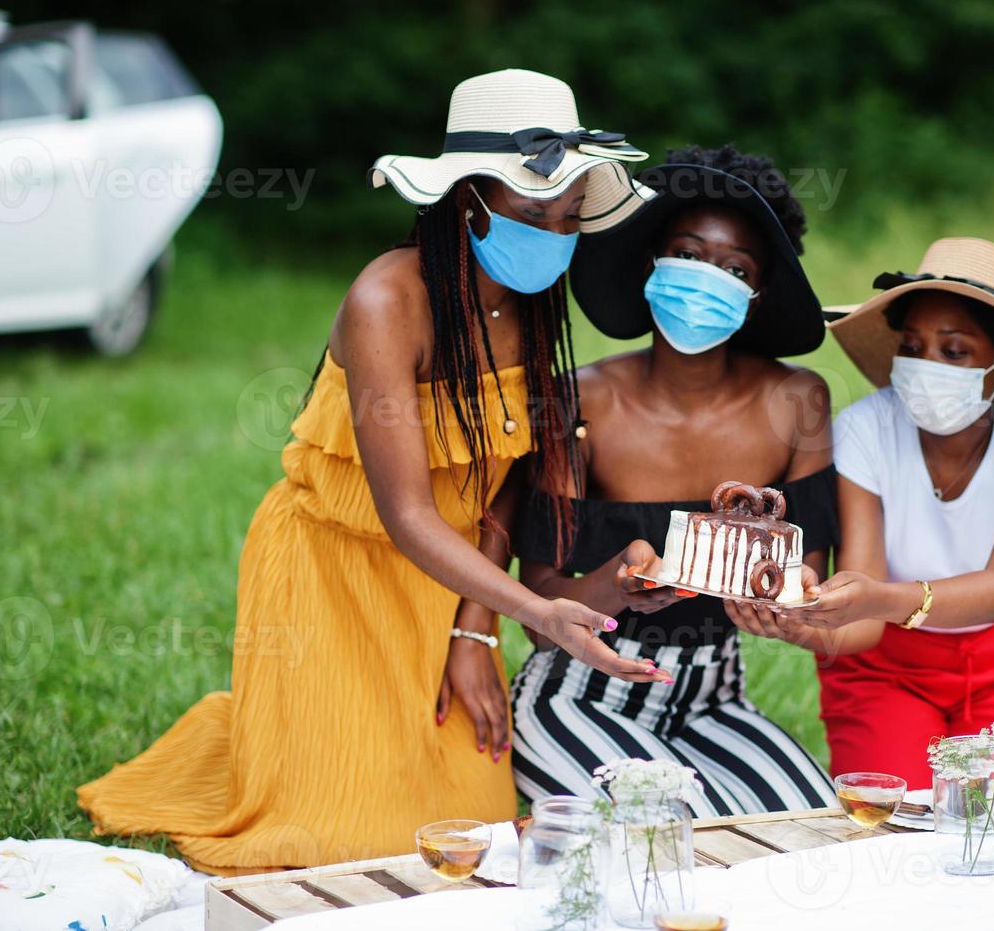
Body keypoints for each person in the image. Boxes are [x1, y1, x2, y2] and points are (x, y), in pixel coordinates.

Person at [76, 70, 670, 874]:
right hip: (337, 569)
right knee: (341, 848)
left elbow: (498, 487)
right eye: (533, 215)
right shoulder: (385, 302)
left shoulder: (532, 299)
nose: (555, 237)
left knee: (473, 838)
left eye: (568, 219)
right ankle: (268, 729)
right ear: (468, 201)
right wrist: (535, 607)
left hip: (454, 582)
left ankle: (277, 727)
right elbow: (408, 514)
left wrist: (474, 630)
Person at [484, 146, 839, 815]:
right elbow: (539, 608)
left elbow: (805, 583)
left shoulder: (797, 401)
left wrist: (781, 598)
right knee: (677, 839)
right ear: (650, 262)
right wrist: (621, 578)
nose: (707, 279)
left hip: (714, 697)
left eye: (734, 268)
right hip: (579, 691)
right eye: (687, 254)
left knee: (814, 832)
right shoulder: (580, 398)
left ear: (756, 295)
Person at [727, 237, 994, 789]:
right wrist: (796, 622)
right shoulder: (865, 429)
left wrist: (877, 599)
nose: (926, 365)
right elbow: (859, 623)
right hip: (883, 669)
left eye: (954, 352)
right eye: (911, 346)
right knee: (891, 819)